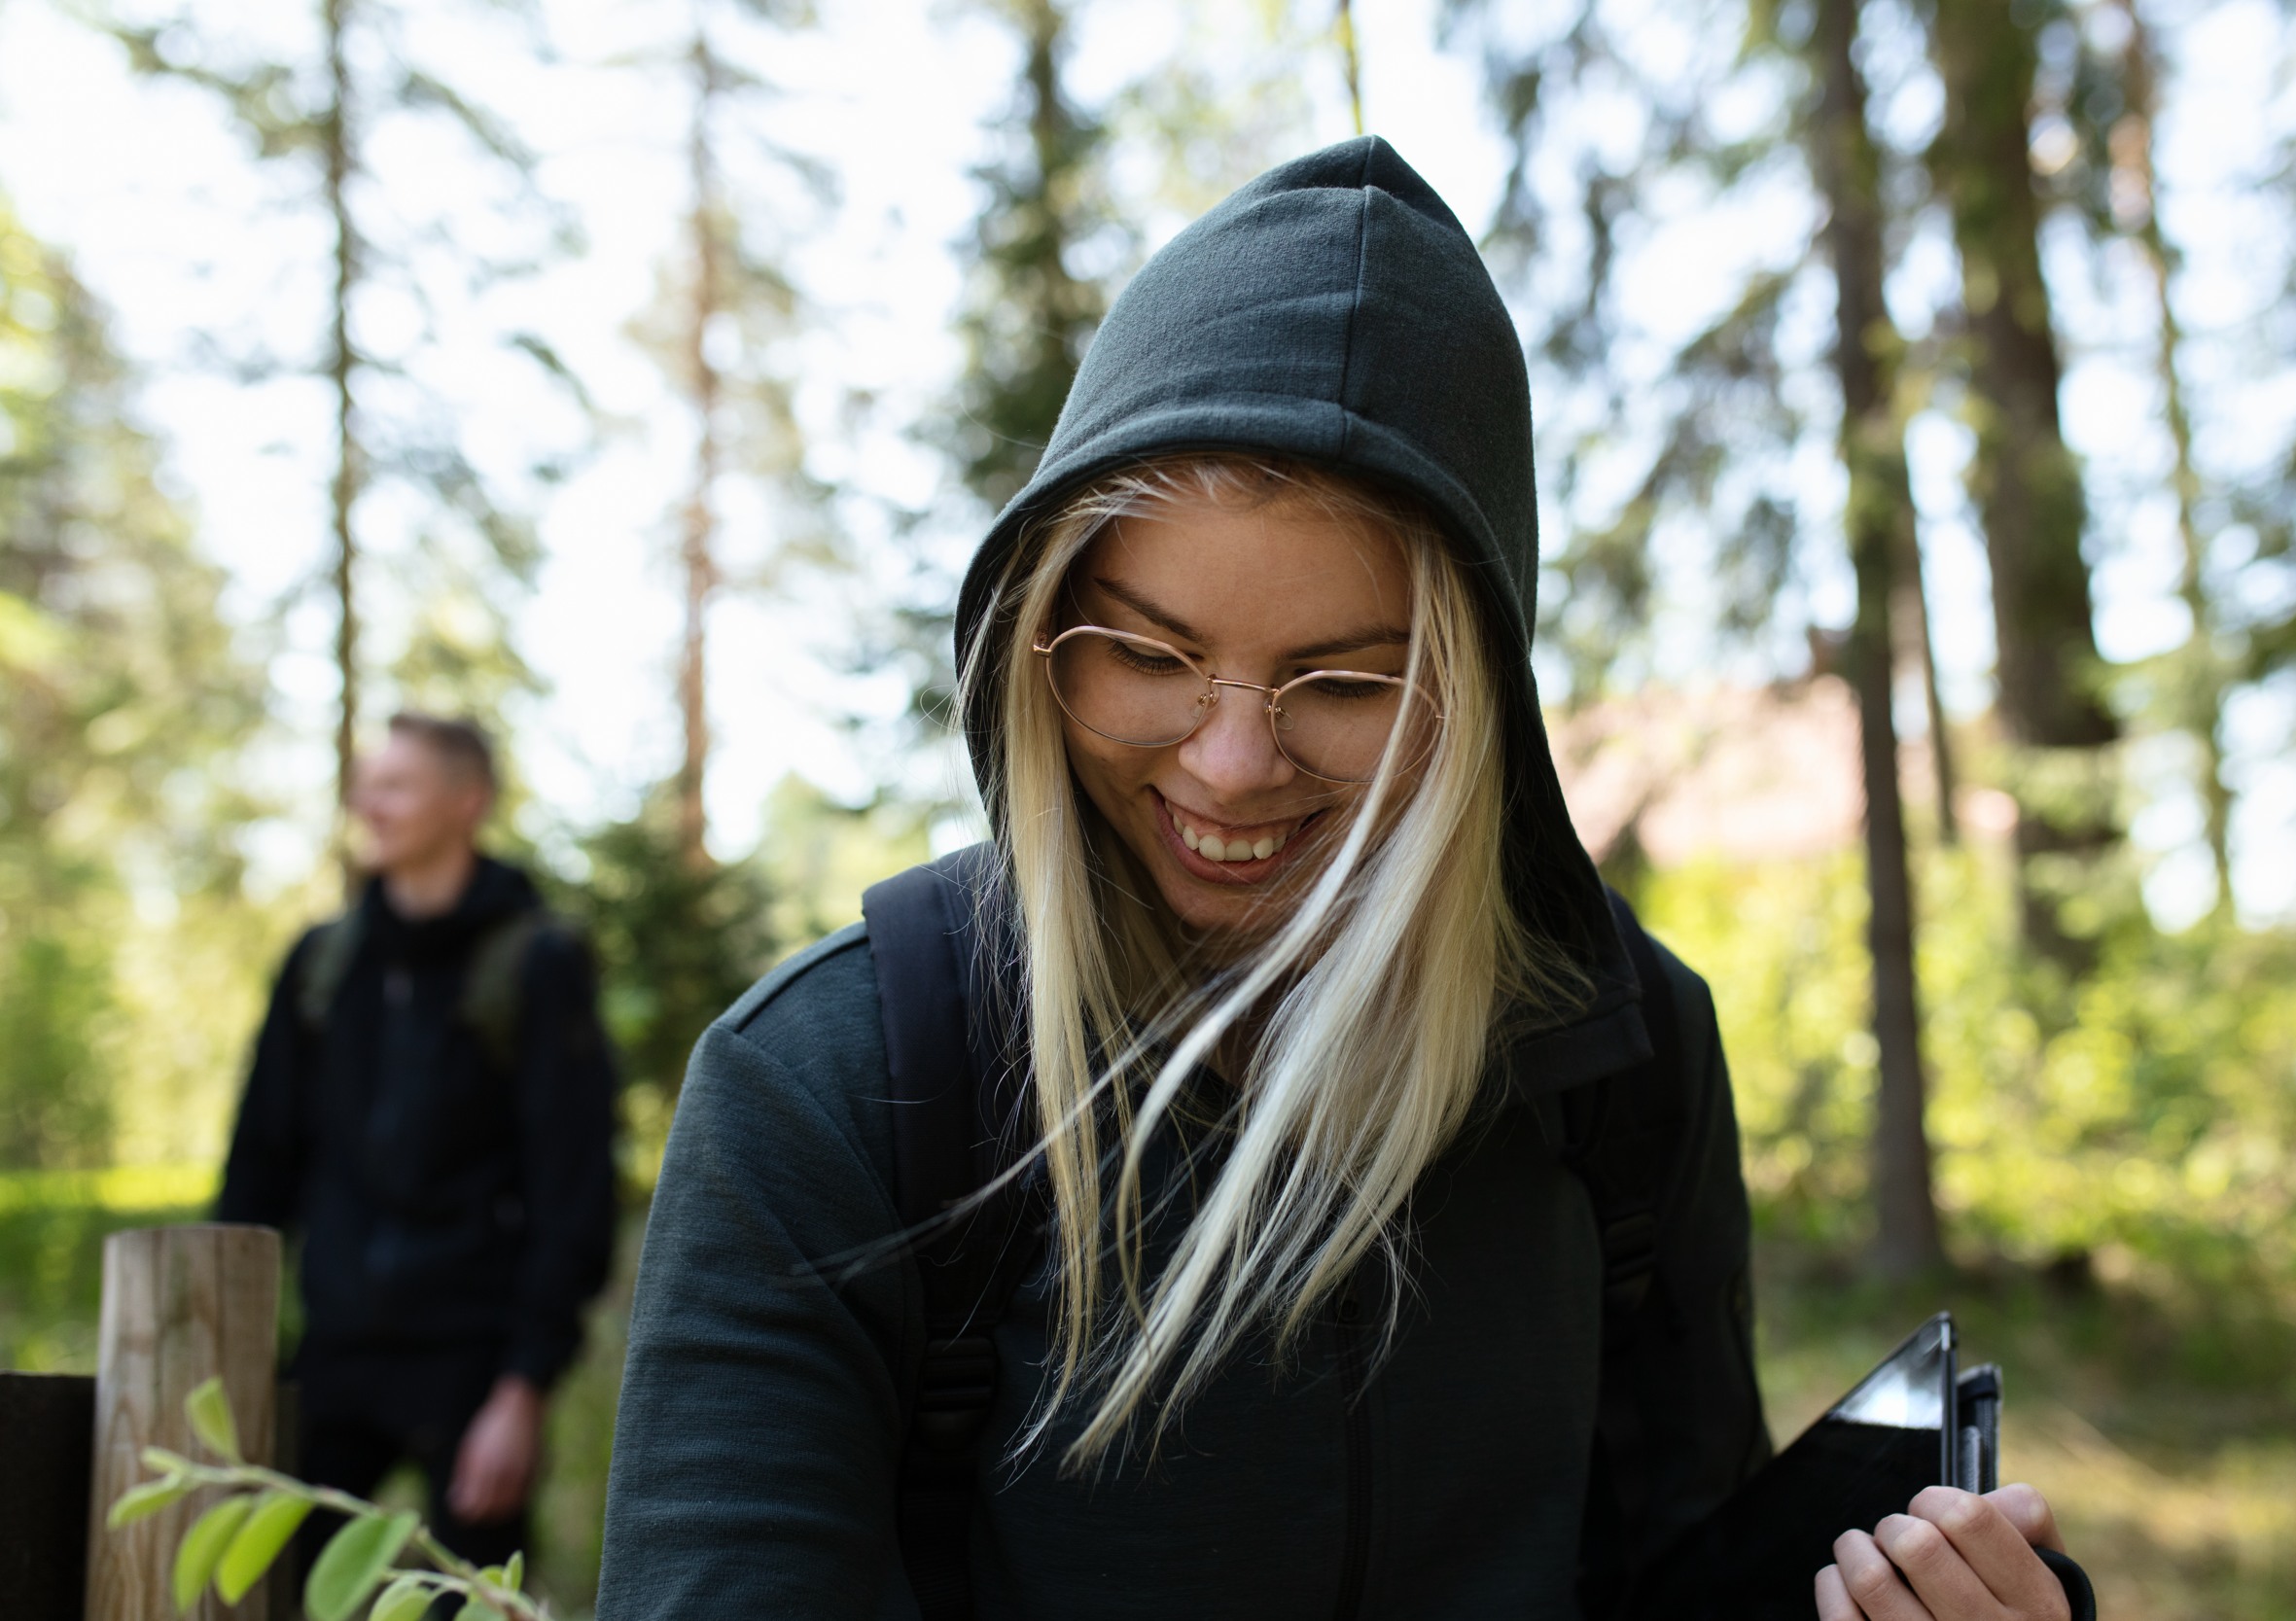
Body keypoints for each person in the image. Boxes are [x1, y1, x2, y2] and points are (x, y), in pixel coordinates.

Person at [595, 139, 2076, 1620]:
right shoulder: (833, 1088)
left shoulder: (1616, 1055)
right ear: (1036, 634)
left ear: (1479, 690)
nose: (1232, 764)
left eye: (1348, 680)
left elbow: (1669, 1570)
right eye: (1146, 653)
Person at [220, 713, 618, 1568]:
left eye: (396, 785)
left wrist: (524, 1390)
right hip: (332, 1358)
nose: (368, 802)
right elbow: (258, 1164)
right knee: (269, 1584)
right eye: (368, 783)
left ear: (465, 803)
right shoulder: (322, 964)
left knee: (473, 1594)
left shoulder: (537, 962)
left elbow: (573, 1189)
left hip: (474, 1365)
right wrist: (221, 1338)